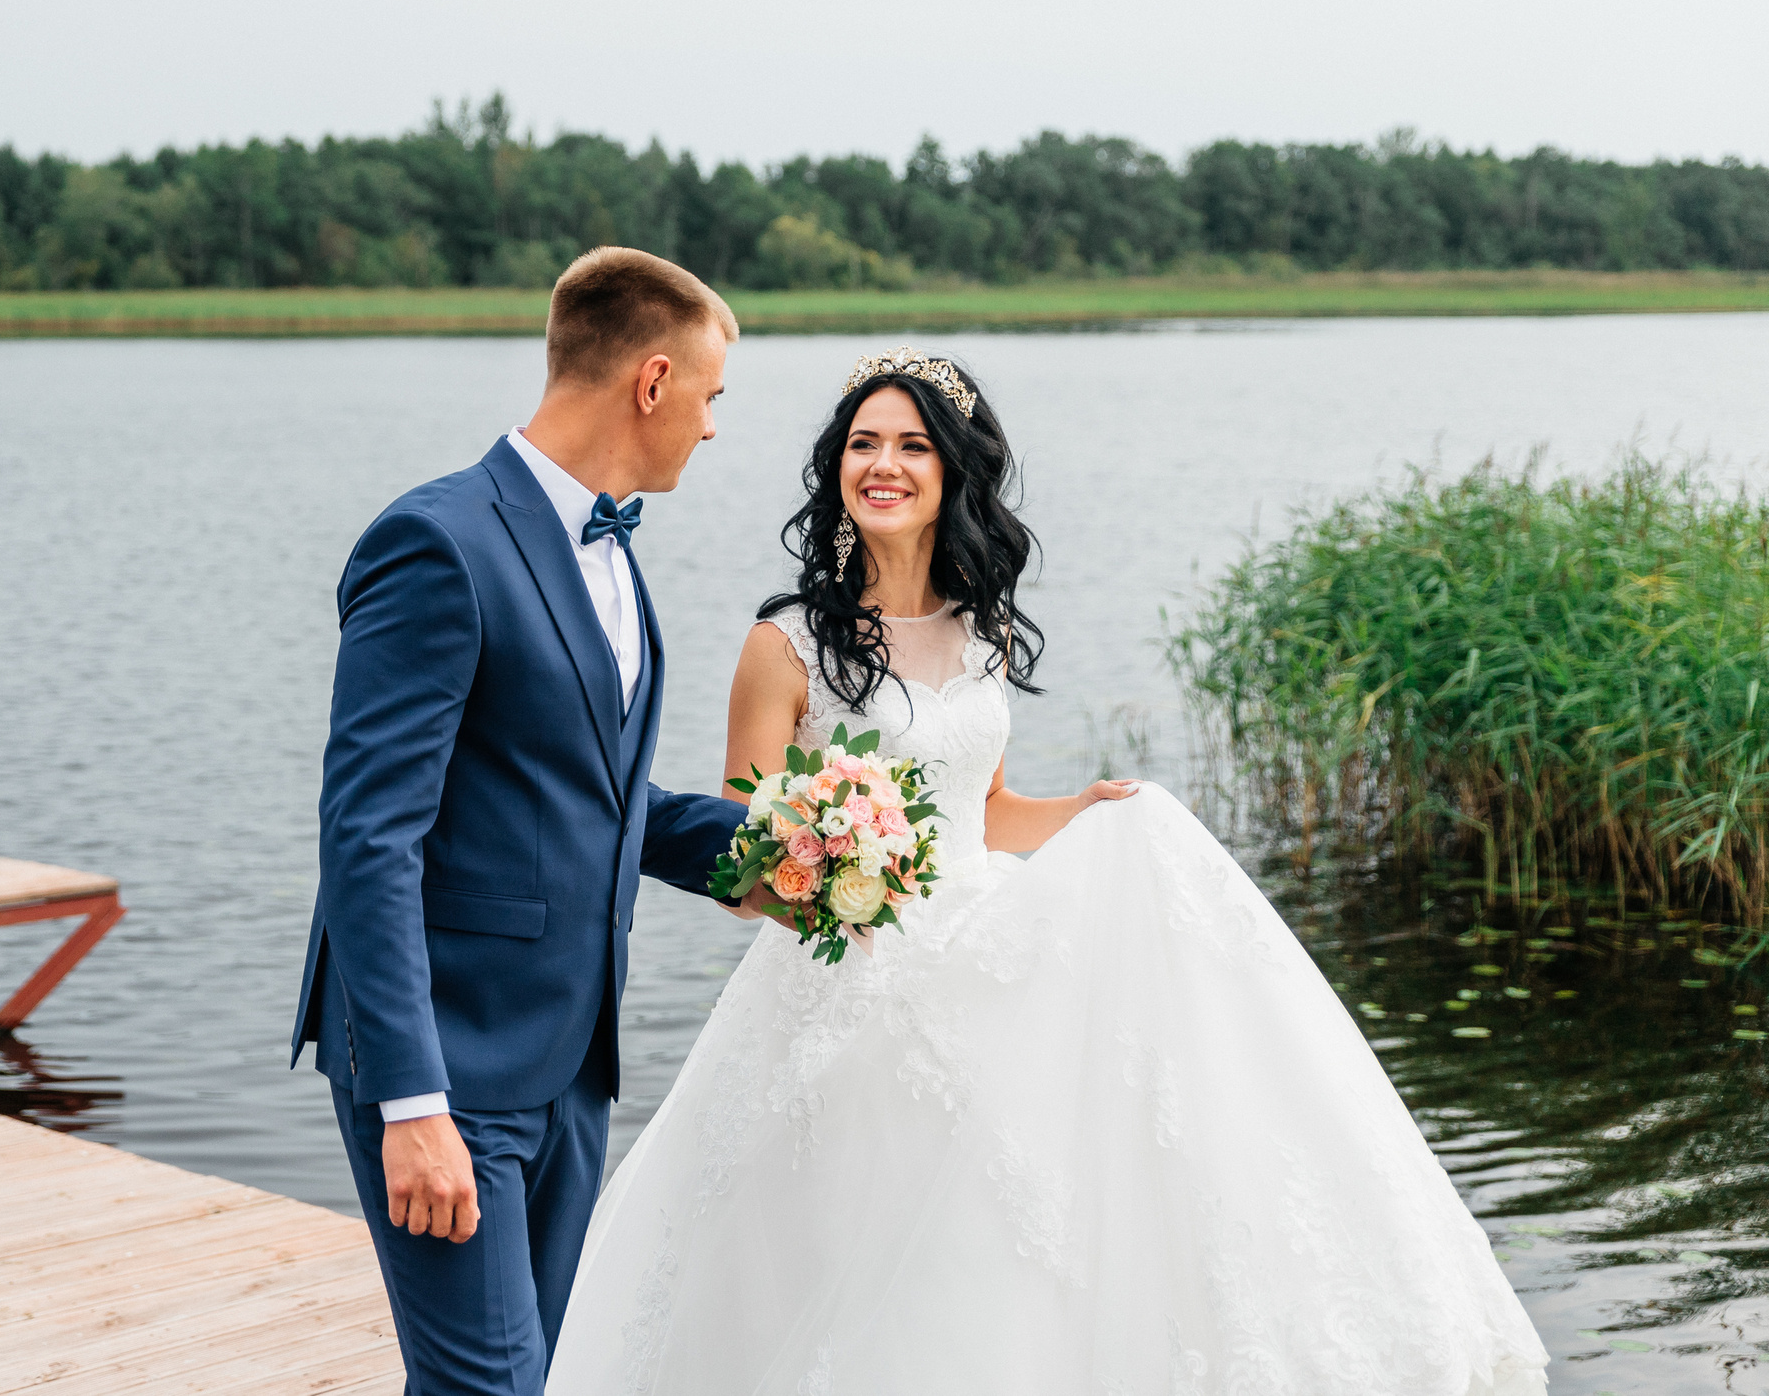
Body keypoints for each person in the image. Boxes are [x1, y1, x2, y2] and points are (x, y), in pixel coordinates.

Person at [545, 347, 1550, 1395]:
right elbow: (742, 838)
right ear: (835, 468)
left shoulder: (979, 632)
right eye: (861, 444)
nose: (880, 464)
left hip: (983, 952)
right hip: (845, 977)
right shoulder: (786, 642)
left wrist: (1086, 814)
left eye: (910, 446)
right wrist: (838, 875)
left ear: (951, 476)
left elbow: (985, 810)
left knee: (997, 1233)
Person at [291, 246, 751, 1395]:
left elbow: (588, 797)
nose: (709, 428)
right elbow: (368, 836)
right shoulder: (438, 543)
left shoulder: (614, 559)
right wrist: (412, 1102)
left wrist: (769, 854)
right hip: (446, 1062)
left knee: (520, 1379)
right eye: (708, 396)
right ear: (651, 382)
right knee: (485, 1389)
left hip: (566, 1064)